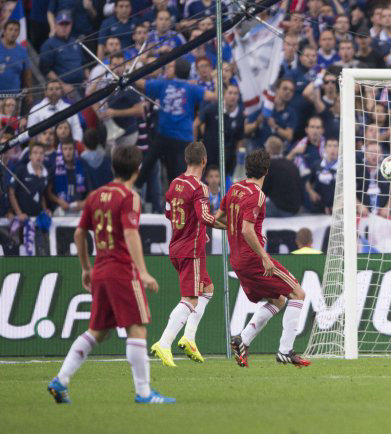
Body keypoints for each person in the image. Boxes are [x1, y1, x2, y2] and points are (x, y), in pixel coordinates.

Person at [47, 145, 174, 404]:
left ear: (113, 167)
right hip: (122, 271)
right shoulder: (129, 197)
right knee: (137, 330)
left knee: (98, 331)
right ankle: (144, 393)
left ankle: (60, 381)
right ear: (137, 171)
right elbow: (130, 233)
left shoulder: (96, 195)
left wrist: (86, 268)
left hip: (101, 270)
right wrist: (143, 271)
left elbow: (79, 234)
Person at [215, 149, 310, 368]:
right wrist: (264, 257)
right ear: (266, 171)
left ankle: (242, 339)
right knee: (298, 293)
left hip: (237, 260)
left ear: (247, 168)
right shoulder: (257, 195)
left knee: (278, 299)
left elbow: (216, 218)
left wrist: (232, 230)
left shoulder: (235, 188)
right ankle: (285, 351)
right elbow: (247, 230)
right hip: (253, 259)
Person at [151, 142, 225, 367]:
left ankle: (189, 338)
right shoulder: (199, 187)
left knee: (207, 290)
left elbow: (168, 213)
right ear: (204, 160)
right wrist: (228, 226)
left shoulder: (174, 183)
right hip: (190, 250)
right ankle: (164, 343)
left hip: (177, 246)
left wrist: (199, 232)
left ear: (186, 160)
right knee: (191, 298)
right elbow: (204, 216)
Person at [138, 58, 215, 187]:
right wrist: (215, 80)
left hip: (164, 136)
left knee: (148, 165)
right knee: (178, 177)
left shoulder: (163, 84)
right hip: (182, 139)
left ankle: (137, 185)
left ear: (175, 71)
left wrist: (127, 78)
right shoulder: (192, 88)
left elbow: (142, 84)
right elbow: (212, 96)